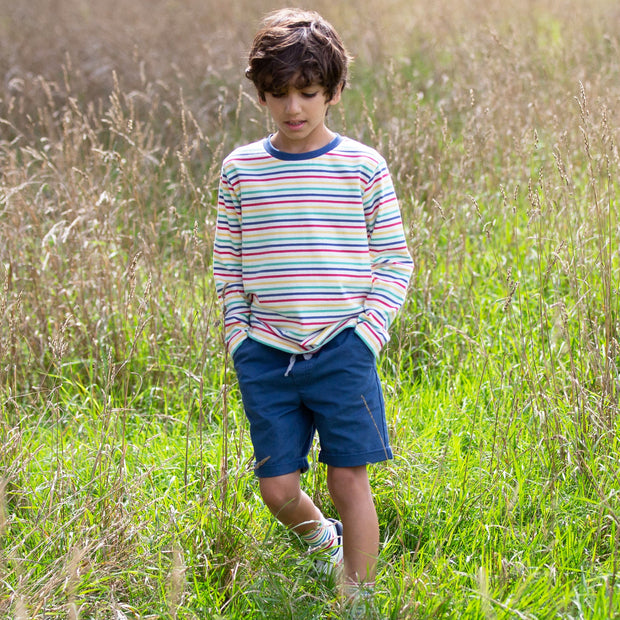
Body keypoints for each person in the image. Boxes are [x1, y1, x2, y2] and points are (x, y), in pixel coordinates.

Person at [213, 7, 413, 605]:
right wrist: (239, 339)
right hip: (268, 354)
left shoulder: (362, 166)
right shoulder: (241, 170)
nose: (293, 108)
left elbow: (395, 260)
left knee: (348, 479)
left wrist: (366, 336)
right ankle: (322, 541)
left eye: (307, 92)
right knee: (276, 486)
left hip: (343, 349)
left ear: (333, 91)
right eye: (279, 95)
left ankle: (358, 598)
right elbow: (227, 266)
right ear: (261, 95)